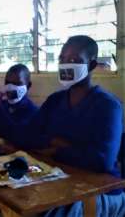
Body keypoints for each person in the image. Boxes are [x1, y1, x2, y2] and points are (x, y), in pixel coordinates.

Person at [24, 35, 124, 216]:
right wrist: (55, 141)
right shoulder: (55, 100)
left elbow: (102, 161)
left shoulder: (108, 106)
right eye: (62, 59)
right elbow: (29, 136)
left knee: (47, 212)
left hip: (102, 191)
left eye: (74, 60)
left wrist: (56, 149)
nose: (65, 65)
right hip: (62, 179)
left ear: (91, 65)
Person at [0, 64, 38, 143]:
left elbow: (16, 136)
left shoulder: (32, 111)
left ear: (28, 86)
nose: (10, 87)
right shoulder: (3, 104)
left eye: (17, 83)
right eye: (7, 82)